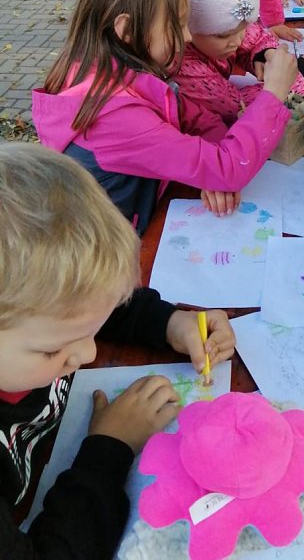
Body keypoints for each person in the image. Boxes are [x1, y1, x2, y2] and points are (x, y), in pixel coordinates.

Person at [0, 142, 236, 558]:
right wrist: (110, 448)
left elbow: (92, 307)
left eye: (88, 329)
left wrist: (170, 323)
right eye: (53, 350)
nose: (88, 353)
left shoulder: (33, 323)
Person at [31, 0, 298, 231]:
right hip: (110, 251)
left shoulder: (114, 72)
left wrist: (211, 174)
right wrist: (273, 95)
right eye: (179, 24)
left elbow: (197, 118)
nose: (188, 37)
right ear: (127, 30)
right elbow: (228, 166)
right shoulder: (116, 116)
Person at [161, 0, 304, 140]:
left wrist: (263, 55)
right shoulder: (180, 65)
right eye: (223, 35)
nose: (237, 40)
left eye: (242, 28)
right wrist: (295, 75)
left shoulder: (228, 26)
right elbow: (237, 109)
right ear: (186, 25)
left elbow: (257, 36)